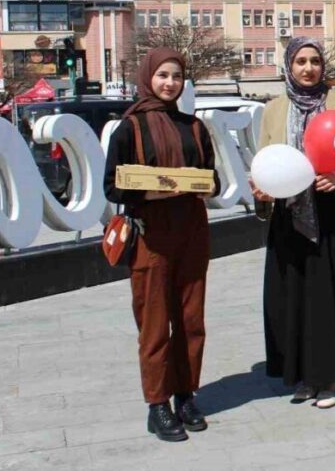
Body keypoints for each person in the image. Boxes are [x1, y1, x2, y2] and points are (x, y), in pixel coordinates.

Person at [254, 38, 335, 409]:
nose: (308, 68)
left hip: (334, 215)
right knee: (294, 297)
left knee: (328, 297)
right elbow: (266, 158)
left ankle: (331, 377)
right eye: (300, 61)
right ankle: (304, 375)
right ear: (289, 67)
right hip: (289, 215)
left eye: (315, 61)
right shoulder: (274, 109)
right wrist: (262, 188)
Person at [104, 48, 219, 442]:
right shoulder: (129, 128)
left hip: (191, 231)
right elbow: (111, 186)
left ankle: (186, 396)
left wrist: (203, 184)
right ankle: (158, 405)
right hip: (150, 234)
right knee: (154, 324)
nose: (170, 83)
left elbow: (212, 177)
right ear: (148, 77)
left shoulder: (195, 127)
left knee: (190, 320)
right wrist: (153, 188)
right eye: (163, 75)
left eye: (176, 76)